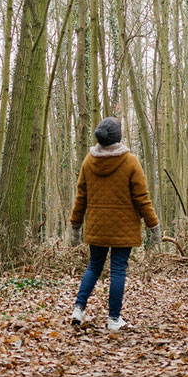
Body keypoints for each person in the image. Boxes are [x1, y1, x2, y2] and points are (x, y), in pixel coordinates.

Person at [69, 117, 161, 331]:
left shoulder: (88, 161)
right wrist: (153, 226)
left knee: (94, 266)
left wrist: (75, 225)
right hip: (124, 228)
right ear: (118, 137)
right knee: (118, 270)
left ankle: (78, 309)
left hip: (97, 227)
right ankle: (113, 319)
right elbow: (142, 198)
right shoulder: (130, 161)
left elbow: (80, 197)